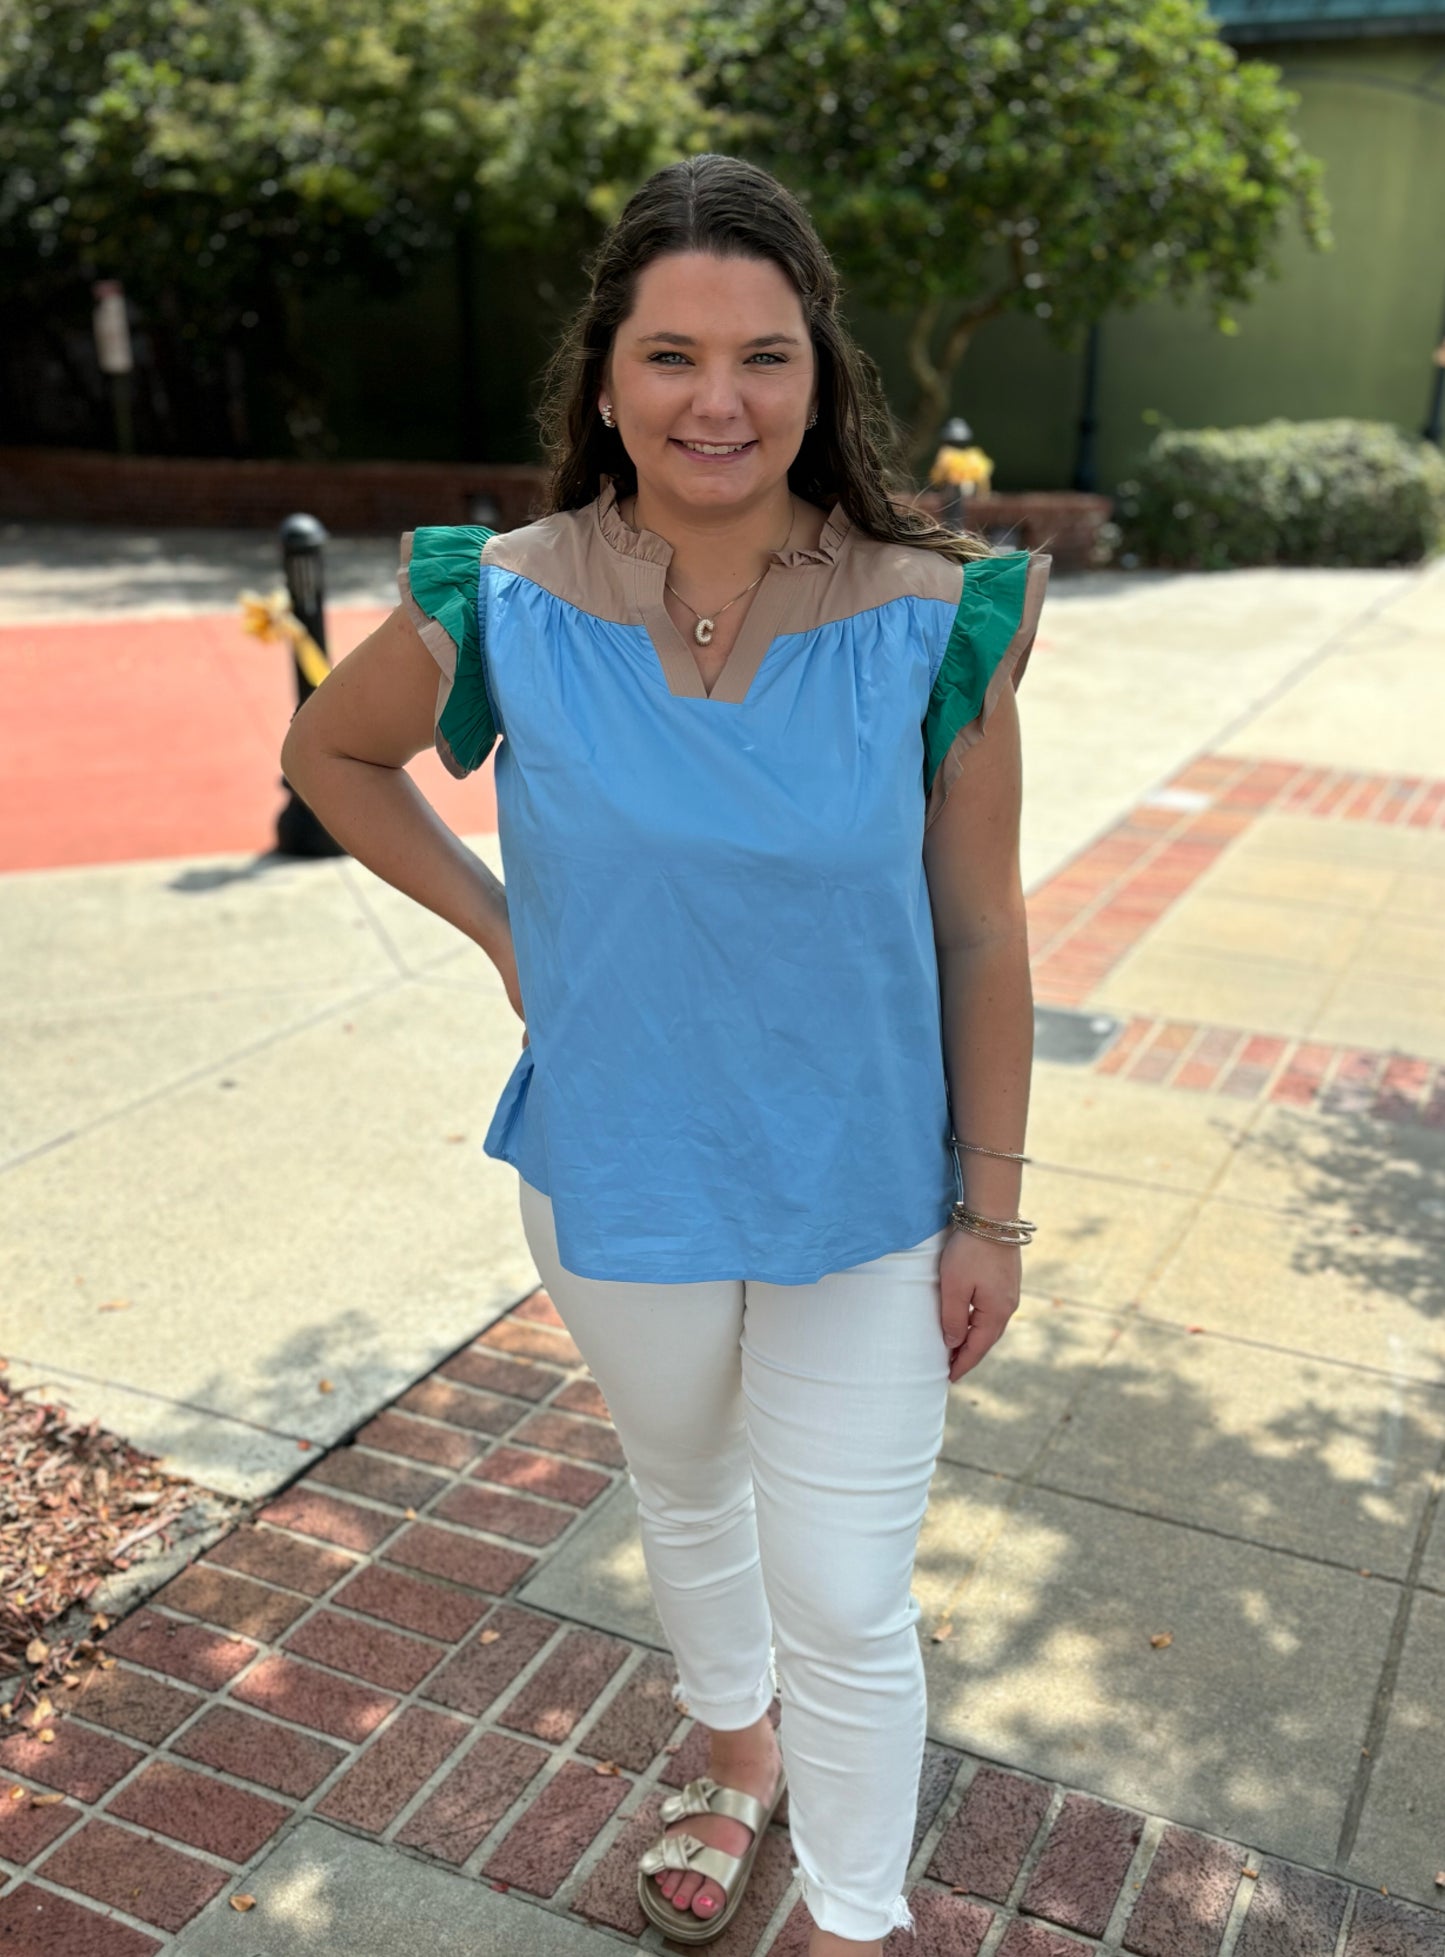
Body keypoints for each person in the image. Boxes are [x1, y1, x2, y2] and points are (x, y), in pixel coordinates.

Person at [280, 152, 1049, 1957]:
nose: (719, 399)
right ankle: (730, 1755)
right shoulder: (505, 598)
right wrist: (502, 928)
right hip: (614, 1160)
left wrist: (991, 1216)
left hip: (866, 1182)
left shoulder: (934, 617)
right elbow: (332, 754)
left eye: (764, 356)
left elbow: (982, 932)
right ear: (606, 377)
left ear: (818, 374)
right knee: (686, 1479)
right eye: (673, 354)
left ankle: (858, 1918)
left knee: (849, 1594)